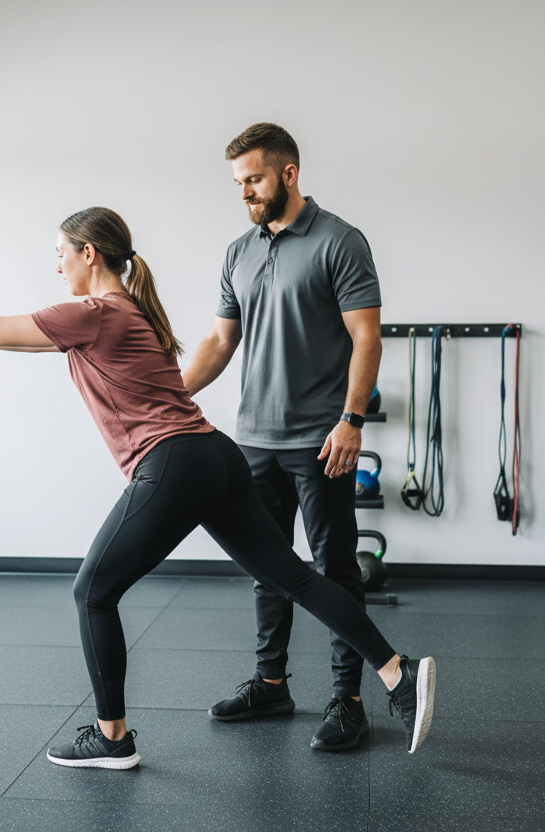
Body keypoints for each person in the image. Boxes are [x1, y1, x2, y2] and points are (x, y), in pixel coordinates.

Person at [0, 207, 433, 771]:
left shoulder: (92, 312)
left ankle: (111, 738)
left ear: (89, 254)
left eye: (61, 255)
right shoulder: (128, 309)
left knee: (92, 593)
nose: (57, 267)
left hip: (173, 464)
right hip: (216, 456)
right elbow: (14, 341)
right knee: (295, 577)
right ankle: (396, 672)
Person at [182, 123, 383, 751]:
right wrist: (171, 395)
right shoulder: (238, 252)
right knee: (265, 567)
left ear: (289, 174)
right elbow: (220, 341)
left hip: (322, 440)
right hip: (254, 439)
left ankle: (348, 699)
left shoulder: (340, 241)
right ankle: (271, 683)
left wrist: (352, 421)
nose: (244, 191)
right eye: (238, 182)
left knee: (335, 568)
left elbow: (367, 338)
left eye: (255, 179)